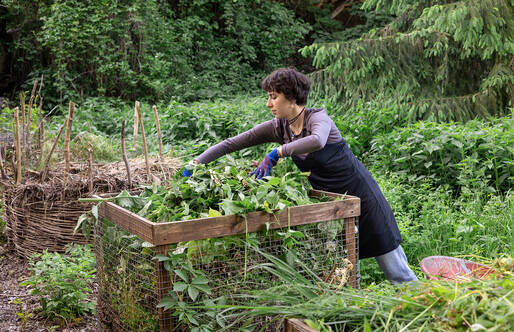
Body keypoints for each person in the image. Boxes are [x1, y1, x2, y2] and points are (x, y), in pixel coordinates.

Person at [185, 68, 418, 284]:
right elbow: (232, 143)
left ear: (292, 97)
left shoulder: (318, 119)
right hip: (333, 207)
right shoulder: (279, 127)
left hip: (363, 198)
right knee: (345, 275)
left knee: (396, 271)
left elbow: (317, 140)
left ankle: (429, 308)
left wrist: (278, 151)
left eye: (274, 96)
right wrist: (196, 163)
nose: (269, 104)